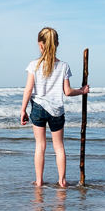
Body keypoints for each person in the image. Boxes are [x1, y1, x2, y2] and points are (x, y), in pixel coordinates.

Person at [20, 27, 89, 187]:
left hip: (38, 108)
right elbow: (67, 91)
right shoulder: (64, 66)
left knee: (40, 145)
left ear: (40, 45)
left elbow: (28, 89)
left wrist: (23, 109)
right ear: (57, 44)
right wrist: (82, 91)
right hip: (57, 111)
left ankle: (39, 180)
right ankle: (62, 181)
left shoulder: (34, 65)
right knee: (59, 146)